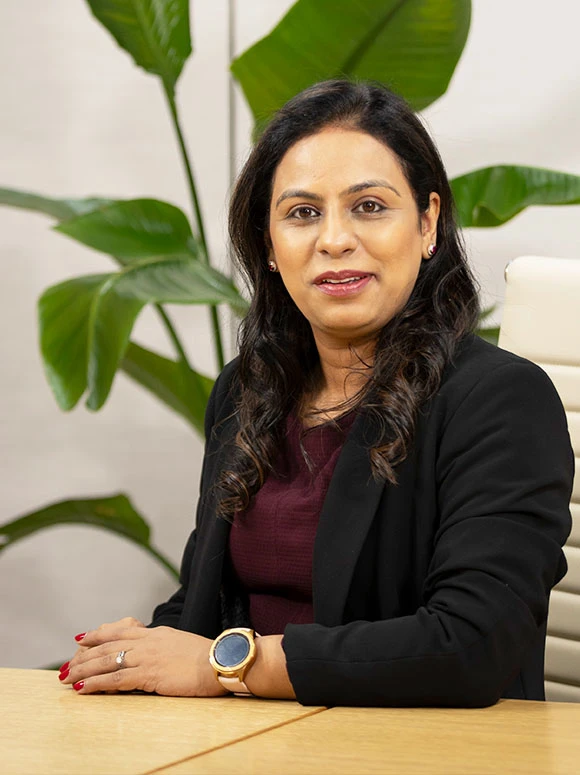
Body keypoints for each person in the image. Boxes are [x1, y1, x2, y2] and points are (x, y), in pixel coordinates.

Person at [59, 80, 573, 707]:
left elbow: (470, 645)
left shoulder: (501, 400)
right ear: (270, 246)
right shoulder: (246, 390)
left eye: (370, 207)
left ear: (428, 222)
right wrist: (141, 652)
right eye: (303, 213)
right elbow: (207, 600)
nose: (334, 239)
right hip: (249, 740)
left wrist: (228, 665)